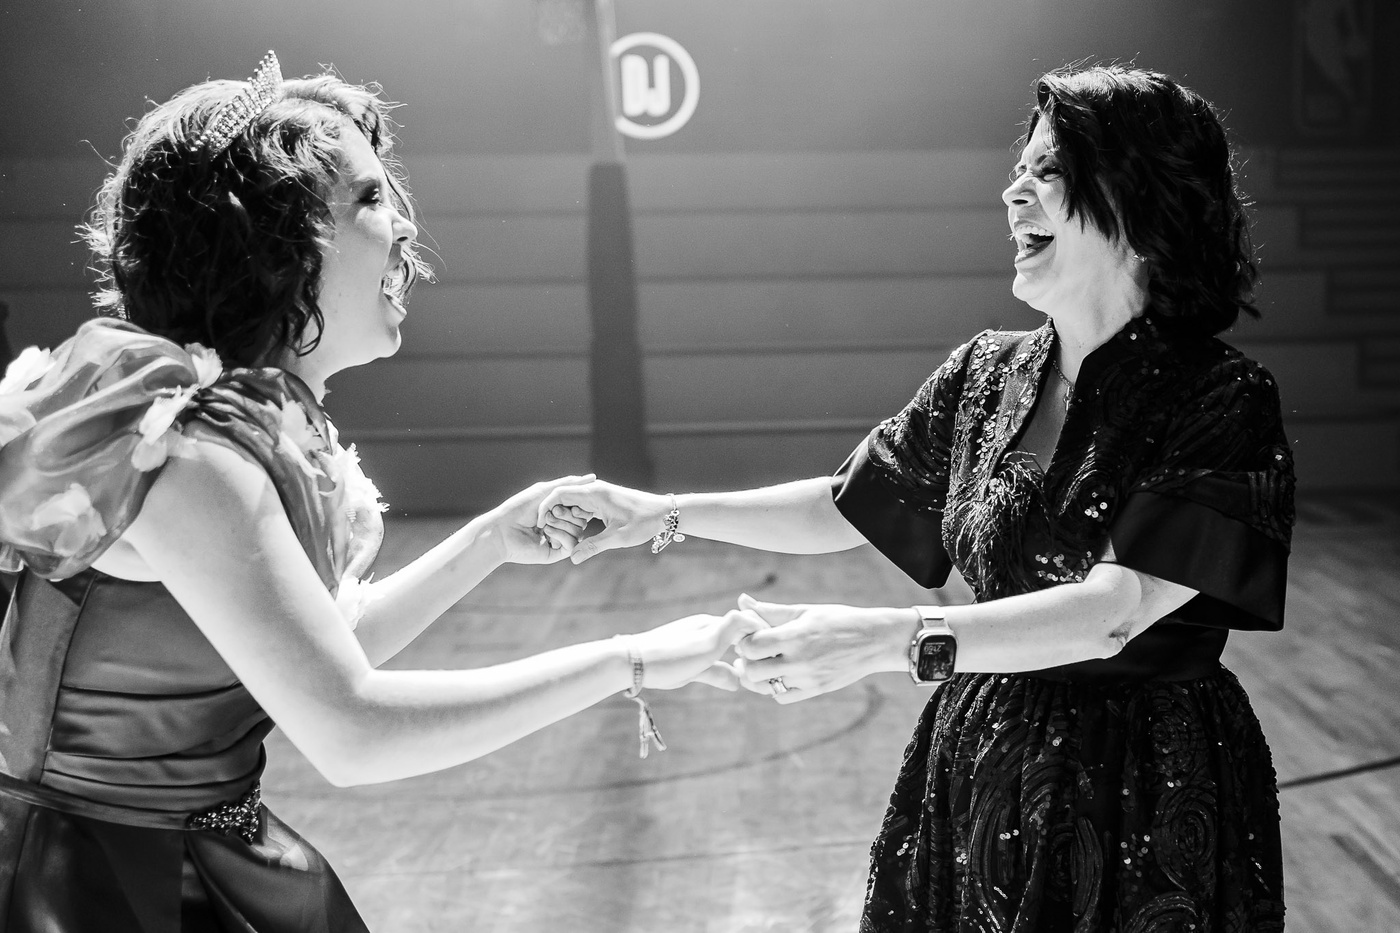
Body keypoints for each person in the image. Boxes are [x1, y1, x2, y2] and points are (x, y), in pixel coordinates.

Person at [0, 53, 760, 932]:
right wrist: (629, 659)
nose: (401, 223)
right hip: (97, 885)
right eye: (366, 197)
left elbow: (316, 648)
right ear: (272, 245)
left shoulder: (240, 428)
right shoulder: (191, 455)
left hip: (186, 854)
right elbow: (351, 730)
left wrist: (490, 540)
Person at [539, 64, 1293, 932]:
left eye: (1048, 170)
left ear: (1140, 199)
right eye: (1019, 168)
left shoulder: (1222, 398)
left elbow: (1111, 613)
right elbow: (844, 503)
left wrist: (882, 639)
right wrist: (661, 513)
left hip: (1148, 789)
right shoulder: (985, 372)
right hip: (980, 764)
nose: (1012, 192)